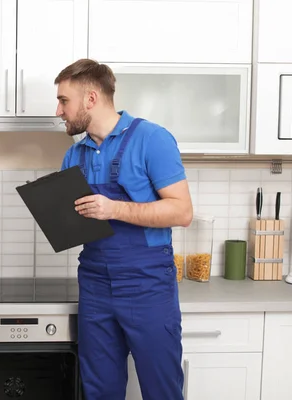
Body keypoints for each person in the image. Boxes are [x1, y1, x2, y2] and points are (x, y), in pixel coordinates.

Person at [54, 59, 193, 400]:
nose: (59, 111)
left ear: (90, 99)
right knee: (100, 390)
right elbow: (71, 226)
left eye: (63, 100)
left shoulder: (152, 139)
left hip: (147, 285)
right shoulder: (74, 155)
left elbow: (182, 210)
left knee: (161, 390)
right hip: (95, 284)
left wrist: (113, 208)